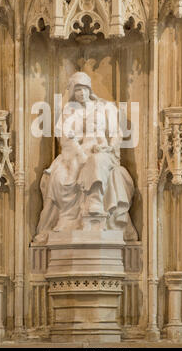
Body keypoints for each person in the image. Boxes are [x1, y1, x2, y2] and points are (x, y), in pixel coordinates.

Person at [34, 71, 137, 243]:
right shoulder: (69, 110)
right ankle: (67, 219)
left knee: (95, 162)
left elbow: (116, 134)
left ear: (90, 90)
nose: (81, 93)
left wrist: (108, 147)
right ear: (73, 92)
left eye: (84, 89)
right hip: (75, 152)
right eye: (77, 90)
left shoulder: (105, 108)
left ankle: (94, 207)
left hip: (101, 150)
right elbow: (62, 134)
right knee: (58, 177)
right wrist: (73, 142)